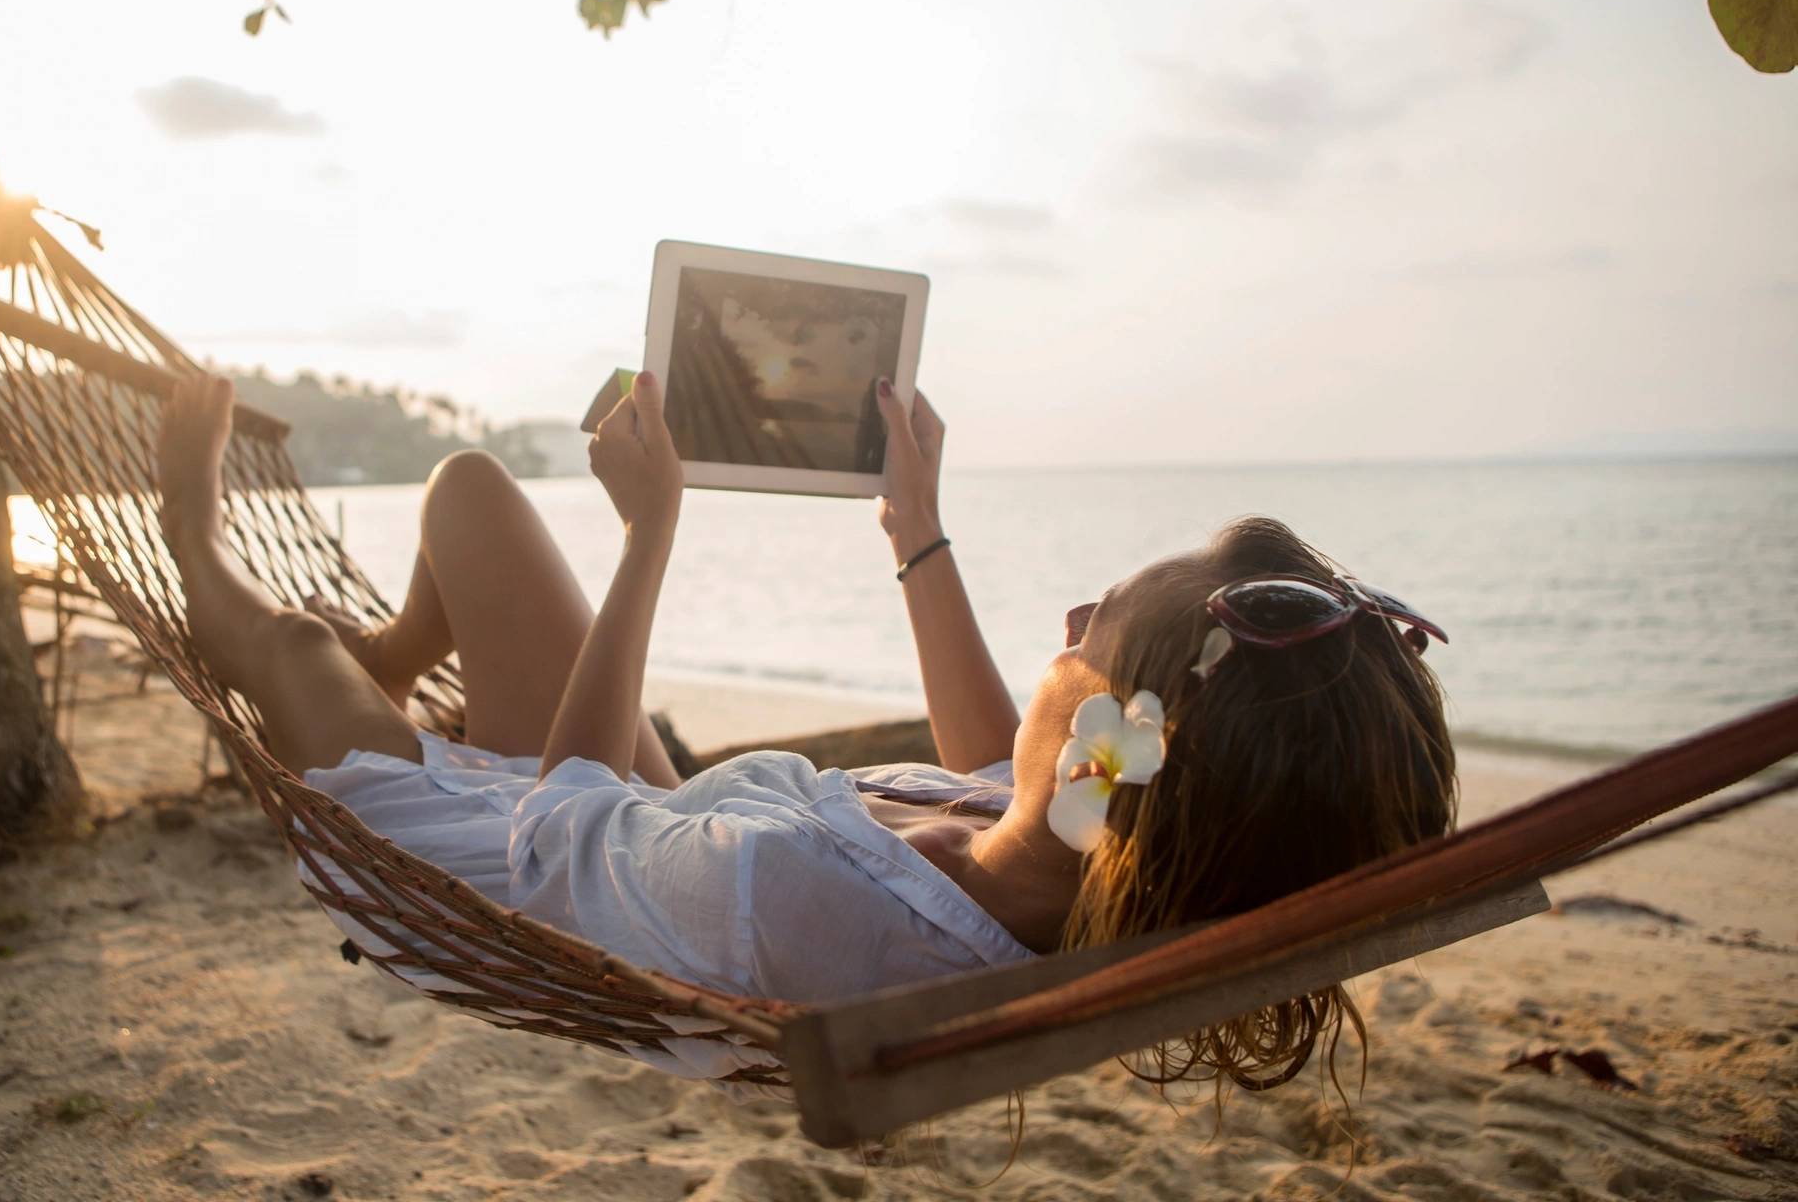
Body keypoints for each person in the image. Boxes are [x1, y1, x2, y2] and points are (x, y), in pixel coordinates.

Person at [155, 370, 1456, 1088]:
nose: (1066, 619)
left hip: (477, 867)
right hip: (656, 830)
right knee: (473, 490)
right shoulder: (1069, 845)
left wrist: (649, 533)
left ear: (1105, 750)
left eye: (1087, 625)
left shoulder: (806, 901)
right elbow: (998, 759)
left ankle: (190, 537)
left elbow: (559, 826)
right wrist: (913, 524)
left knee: (292, 644)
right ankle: (389, 676)